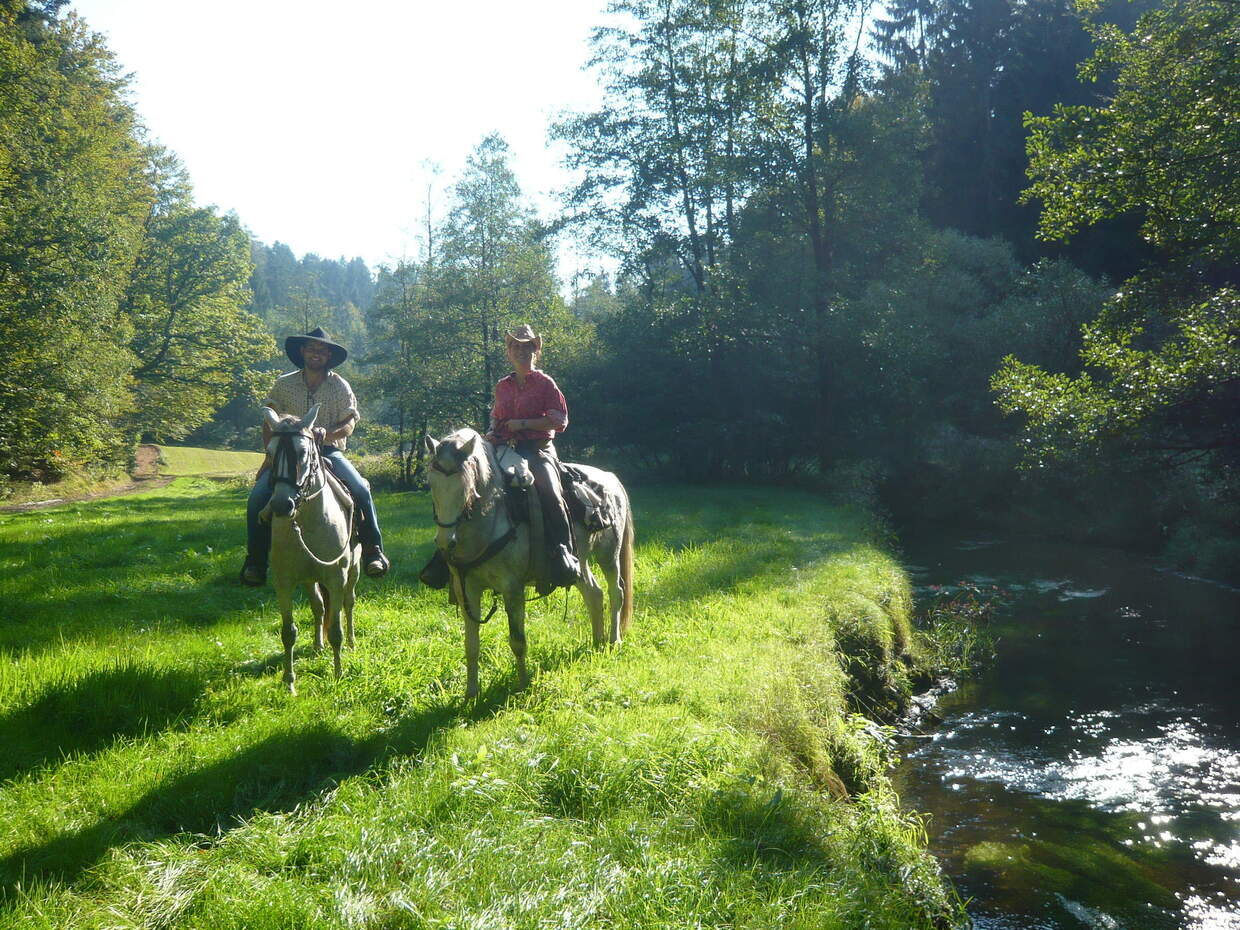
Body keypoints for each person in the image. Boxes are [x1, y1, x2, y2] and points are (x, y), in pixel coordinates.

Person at [419, 324, 580, 590]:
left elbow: (559, 420)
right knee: (469, 486)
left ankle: (564, 553)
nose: (520, 351)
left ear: (535, 350)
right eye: (515, 346)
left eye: (526, 346)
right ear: (509, 352)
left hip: (538, 449)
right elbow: (497, 418)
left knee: (550, 492)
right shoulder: (502, 386)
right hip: (505, 447)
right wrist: (492, 434)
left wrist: (524, 424)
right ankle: (447, 554)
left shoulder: (545, 383)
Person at [240, 327, 389, 586]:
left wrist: (327, 435)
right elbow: (269, 421)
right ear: (302, 352)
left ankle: (373, 551)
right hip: (287, 455)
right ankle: (256, 562)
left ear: (328, 355)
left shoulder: (339, 385)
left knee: (360, 490)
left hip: (328, 451)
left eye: (322, 350)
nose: (316, 354)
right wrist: (270, 456)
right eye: (311, 349)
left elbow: (349, 423)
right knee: (256, 500)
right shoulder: (284, 383)